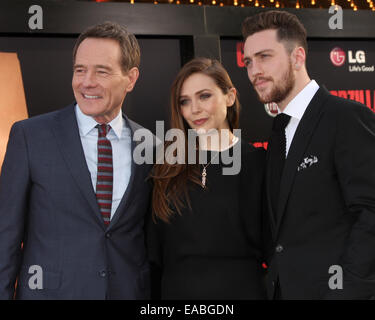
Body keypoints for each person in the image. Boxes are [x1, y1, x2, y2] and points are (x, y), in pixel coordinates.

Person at [0, 22, 154, 299]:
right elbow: (5, 234)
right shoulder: (30, 136)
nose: (86, 82)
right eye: (80, 70)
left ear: (130, 79)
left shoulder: (150, 144)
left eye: (102, 71)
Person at [242, 10, 375, 300]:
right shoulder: (279, 131)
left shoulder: (346, 117)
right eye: (248, 62)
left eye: (265, 57)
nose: (254, 71)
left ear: (298, 57)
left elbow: (371, 213)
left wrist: (346, 291)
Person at [147, 57, 267, 299]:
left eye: (204, 96)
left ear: (230, 96)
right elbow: (153, 252)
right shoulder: (166, 165)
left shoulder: (258, 163)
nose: (194, 109)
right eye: (185, 101)